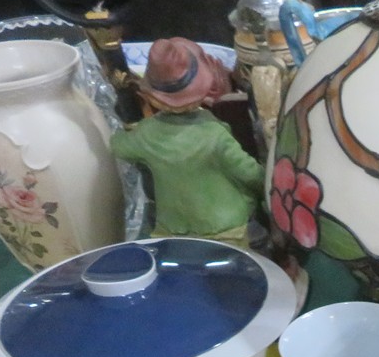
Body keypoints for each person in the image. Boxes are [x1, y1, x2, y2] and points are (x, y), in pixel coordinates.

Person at [109, 37, 264, 244]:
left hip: (175, 227)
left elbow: (118, 146)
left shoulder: (146, 133)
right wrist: (268, 183)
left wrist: (126, 121)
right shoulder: (213, 134)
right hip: (224, 223)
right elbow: (248, 172)